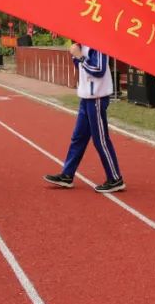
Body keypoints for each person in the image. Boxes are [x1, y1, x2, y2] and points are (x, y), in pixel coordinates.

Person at [43, 42, 125, 193]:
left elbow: (99, 69)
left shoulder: (97, 44)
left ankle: (115, 178)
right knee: (78, 137)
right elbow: (81, 69)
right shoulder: (82, 44)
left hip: (97, 98)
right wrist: (77, 55)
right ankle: (67, 175)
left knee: (100, 139)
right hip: (86, 97)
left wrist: (80, 57)